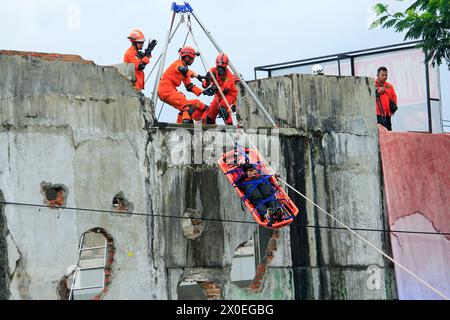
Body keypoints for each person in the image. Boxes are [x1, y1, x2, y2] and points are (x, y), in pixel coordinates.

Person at [157, 46, 215, 123]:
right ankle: (186, 124)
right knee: (187, 106)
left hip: (169, 90)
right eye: (193, 58)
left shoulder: (184, 71)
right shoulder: (178, 64)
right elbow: (182, 69)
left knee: (186, 106)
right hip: (166, 89)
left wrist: (203, 91)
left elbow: (189, 87)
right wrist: (196, 76)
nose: (193, 61)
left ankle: (184, 121)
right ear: (187, 58)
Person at [201, 53, 238, 125]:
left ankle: (230, 127)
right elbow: (204, 85)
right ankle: (210, 130)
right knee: (210, 116)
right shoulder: (213, 71)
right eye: (219, 67)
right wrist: (207, 80)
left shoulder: (229, 75)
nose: (220, 69)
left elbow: (225, 89)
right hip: (218, 95)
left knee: (222, 109)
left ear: (226, 66)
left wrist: (215, 88)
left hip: (229, 94)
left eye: (223, 67)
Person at [375, 66, 397, 131]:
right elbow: (368, 97)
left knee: (389, 131)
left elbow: (394, 96)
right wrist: (377, 92)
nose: (385, 76)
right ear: (377, 75)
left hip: (387, 113)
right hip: (377, 114)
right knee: (380, 132)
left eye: (386, 75)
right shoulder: (372, 85)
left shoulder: (389, 86)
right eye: (382, 75)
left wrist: (392, 110)